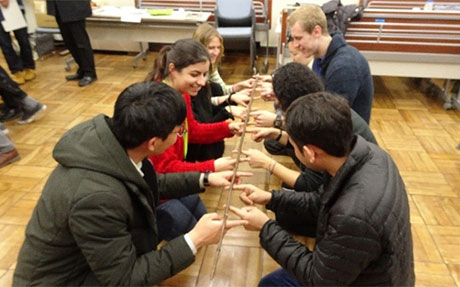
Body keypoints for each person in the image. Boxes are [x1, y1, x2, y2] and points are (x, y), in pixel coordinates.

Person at [13, 82, 248, 286]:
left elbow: (149, 183)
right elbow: (124, 280)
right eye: (178, 132)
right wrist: (195, 239)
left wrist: (205, 177)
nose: (180, 137)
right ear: (154, 143)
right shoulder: (96, 198)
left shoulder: (114, 144)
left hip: (87, 265)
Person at [230, 92, 415, 286]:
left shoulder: (353, 216)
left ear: (310, 153)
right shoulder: (368, 155)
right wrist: (271, 198)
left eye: (292, 145)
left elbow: (317, 280)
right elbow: (321, 200)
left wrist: (265, 228)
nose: (291, 146)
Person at [146, 39, 243, 241]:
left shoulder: (182, 94)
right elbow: (164, 169)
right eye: (194, 74)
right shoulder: (160, 105)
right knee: (194, 233)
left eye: (205, 74)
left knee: (203, 219)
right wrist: (212, 167)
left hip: (172, 179)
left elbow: (193, 130)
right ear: (173, 69)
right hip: (157, 187)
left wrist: (227, 128)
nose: (202, 81)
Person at [288, 4, 374, 123]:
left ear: (317, 32)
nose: (296, 45)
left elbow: (330, 121)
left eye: (298, 38)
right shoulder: (321, 57)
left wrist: (279, 121)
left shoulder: (343, 67)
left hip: (341, 136)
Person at [193, 23, 254, 102]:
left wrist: (239, 86)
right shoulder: (192, 70)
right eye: (211, 48)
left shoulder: (211, 65)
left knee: (216, 88)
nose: (216, 52)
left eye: (218, 47)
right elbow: (199, 103)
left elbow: (222, 89)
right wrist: (231, 98)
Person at [47, 0, 97, 87]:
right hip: (59, 7)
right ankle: (82, 69)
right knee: (69, 41)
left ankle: (89, 73)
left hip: (74, 6)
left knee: (80, 42)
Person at [0, 0, 36, 84]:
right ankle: (16, 71)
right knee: (5, 45)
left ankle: (29, 67)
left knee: (23, 40)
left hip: (15, 7)